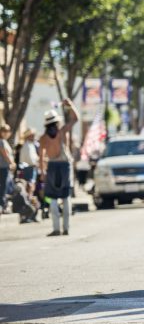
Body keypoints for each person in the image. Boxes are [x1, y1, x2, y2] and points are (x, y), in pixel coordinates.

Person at [38, 99, 80, 236]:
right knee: (66, 196)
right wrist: (70, 105)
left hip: (51, 166)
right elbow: (76, 119)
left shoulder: (43, 138)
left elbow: (40, 156)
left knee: (53, 197)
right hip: (64, 165)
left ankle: (56, 228)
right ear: (56, 122)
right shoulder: (62, 132)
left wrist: (42, 172)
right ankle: (66, 227)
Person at [0, 124, 15, 213]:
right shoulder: (1, 141)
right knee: (3, 186)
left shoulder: (4, 141)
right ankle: (2, 205)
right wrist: (12, 163)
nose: (7, 133)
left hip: (5, 167)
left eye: (8, 131)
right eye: (5, 131)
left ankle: (4, 204)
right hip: (2, 167)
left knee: (5, 186)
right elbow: (5, 154)